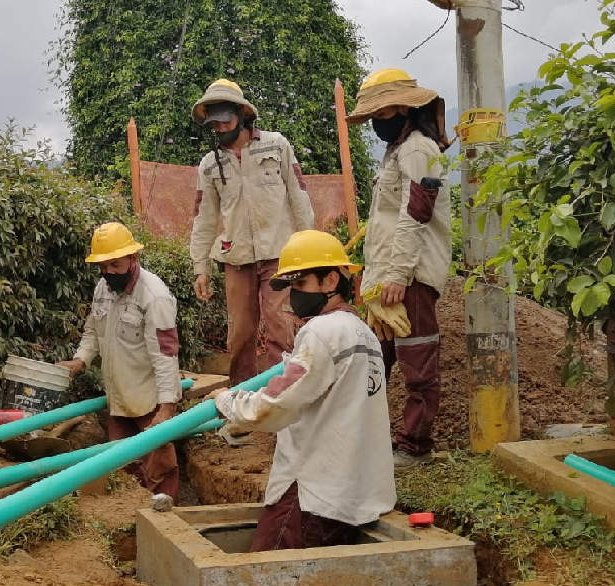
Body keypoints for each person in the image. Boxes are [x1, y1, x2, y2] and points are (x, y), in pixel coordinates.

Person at [210, 230, 395, 552]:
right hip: (354, 493)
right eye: (291, 286)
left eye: (301, 284)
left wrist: (228, 402)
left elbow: (276, 404)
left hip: (312, 494)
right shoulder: (362, 332)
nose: (294, 295)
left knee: (264, 577)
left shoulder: (322, 332)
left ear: (331, 281)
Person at [346, 68, 453, 469]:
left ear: (401, 108)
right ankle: (372, 441)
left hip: (411, 276)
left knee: (417, 360)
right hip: (390, 275)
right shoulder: (400, 149)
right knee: (378, 358)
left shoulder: (417, 149)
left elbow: (416, 214)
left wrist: (397, 274)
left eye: (381, 113)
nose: (377, 122)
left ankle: (414, 446)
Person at [189, 78, 316, 387]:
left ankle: (282, 395)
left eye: (225, 121)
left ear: (242, 115)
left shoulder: (276, 145)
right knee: (241, 334)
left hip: (280, 255)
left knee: (282, 326)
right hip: (237, 258)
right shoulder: (209, 165)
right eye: (214, 124)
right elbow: (204, 219)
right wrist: (200, 267)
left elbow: (299, 197)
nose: (219, 128)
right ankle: (242, 398)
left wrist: (309, 248)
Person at [58, 222, 182, 499]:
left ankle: (167, 520)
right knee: (122, 468)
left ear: (132, 258)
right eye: (103, 267)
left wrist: (167, 408)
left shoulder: (154, 296)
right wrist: (80, 360)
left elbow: (165, 355)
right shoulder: (102, 288)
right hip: (118, 398)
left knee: (158, 468)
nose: (108, 273)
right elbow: (93, 330)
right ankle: (131, 520)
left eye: (114, 265)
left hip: (149, 401)